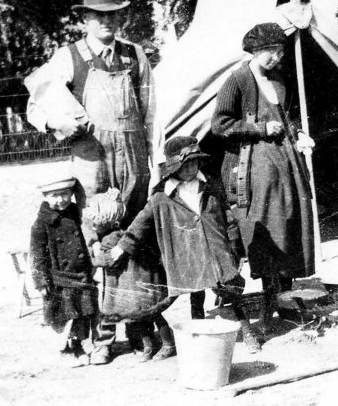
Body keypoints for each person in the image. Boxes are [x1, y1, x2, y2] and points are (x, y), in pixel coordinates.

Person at [25, 0, 164, 231]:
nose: (106, 21)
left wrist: (158, 165)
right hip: (92, 163)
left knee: (138, 233)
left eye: (111, 14)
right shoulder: (68, 56)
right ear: (85, 19)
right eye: (98, 15)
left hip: (134, 162)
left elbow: (151, 116)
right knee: (95, 233)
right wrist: (58, 123)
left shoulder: (135, 55)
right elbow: (36, 107)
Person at [110, 136, 262, 353]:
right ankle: (198, 336)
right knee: (195, 293)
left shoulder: (210, 184)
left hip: (216, 251)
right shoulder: (162, 195)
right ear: (174, 167)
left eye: (195, 162)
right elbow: (141, 222)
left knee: (231, 292)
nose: (191, 167)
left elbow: (227, 214)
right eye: (186, 163)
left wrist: (235, 246)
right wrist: (122, 247)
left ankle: (247, 332)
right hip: (186, 253)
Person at [211, 22, 315, 333]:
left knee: (291, 224)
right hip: (253, 167)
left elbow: (285, 117)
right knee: (269, 228)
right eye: (271, 51)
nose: (276, 57)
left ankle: (286, 296)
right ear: (256, 51)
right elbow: (220, 125)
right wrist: (258, 129)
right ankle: (272, 300)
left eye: (280, 51)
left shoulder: (278, 79)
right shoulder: (238, 80)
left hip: (285, 164)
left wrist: (299, 134)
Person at [84, 189, 174, 363]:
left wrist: (94, 260)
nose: (93, 225)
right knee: (144, 316)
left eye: (97, 221)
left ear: (109, 222)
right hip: (135, 285)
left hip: (131, 287)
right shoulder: (122, 233)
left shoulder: (111, 239)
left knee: (149, 315)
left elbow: (111, 261)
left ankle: (166, 344)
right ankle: (150, 345)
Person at [30, 176, 97, 368]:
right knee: (65, 317)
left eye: (65, 194)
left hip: (80, 274)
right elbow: (37, 255)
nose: (61, 200)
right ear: (45, 197)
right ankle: (66, 351)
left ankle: (79, 347)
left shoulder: (76, 214)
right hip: (58, 279)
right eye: (55, 196)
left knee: (82, 316)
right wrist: (42, 281)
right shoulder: (41, 224)